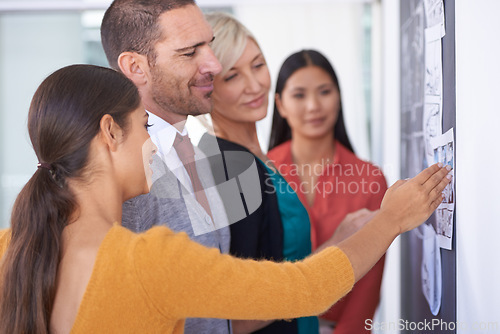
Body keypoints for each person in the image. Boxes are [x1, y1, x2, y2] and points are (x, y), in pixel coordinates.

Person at [0, 64, 451, 334]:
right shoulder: (147, 259)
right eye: (143, 126)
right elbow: (306, 291)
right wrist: (391, 219)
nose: (153, 145)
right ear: (110, 131)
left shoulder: (10, 248)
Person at [100, 1, 234, 332]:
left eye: (209, 45)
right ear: (135, 67)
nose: (214, 65)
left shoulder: (201, 152)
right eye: (189, 53)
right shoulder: (117, 177)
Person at [199, 12, 315, 334]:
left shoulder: (260, 157)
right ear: (209, 88)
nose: (254, 85)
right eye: (232, 76)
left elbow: (280, 260)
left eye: (258, 65)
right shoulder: (229, 168)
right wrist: (346, 245)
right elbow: (238, 312)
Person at [268, 49, 387, 333]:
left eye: (324, 92)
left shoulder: (370, 179)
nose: (313, 106)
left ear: (339, 97)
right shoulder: (261, 170)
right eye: (299, 95)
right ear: (280, 105)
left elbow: (368, 284)